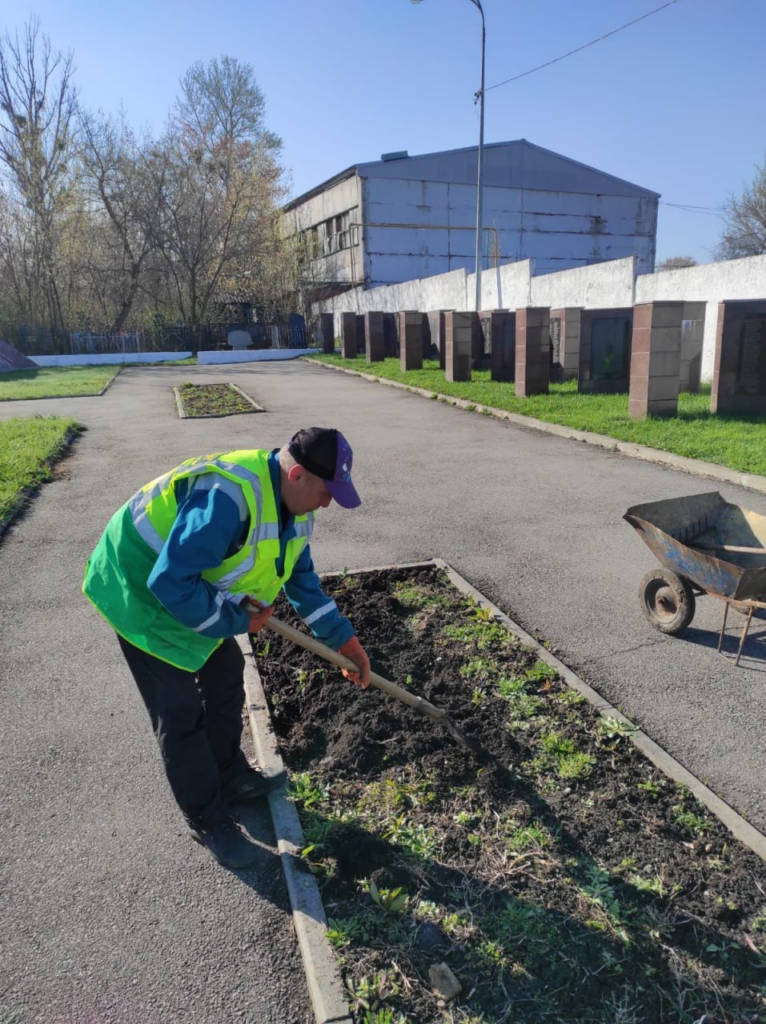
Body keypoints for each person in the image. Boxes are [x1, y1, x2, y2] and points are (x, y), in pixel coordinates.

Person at [83, 427, 371, 869]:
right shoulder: (228, 498)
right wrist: (235, 619)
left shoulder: (298, 510)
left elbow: (303, 584)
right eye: (326, 491)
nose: (328, 502)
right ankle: (206, 817)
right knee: (178, 711)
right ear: (296, 475)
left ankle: (228, 772)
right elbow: (168, 581)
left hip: (189, 586)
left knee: (225, 673)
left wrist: (346, 642)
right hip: (140, 588)